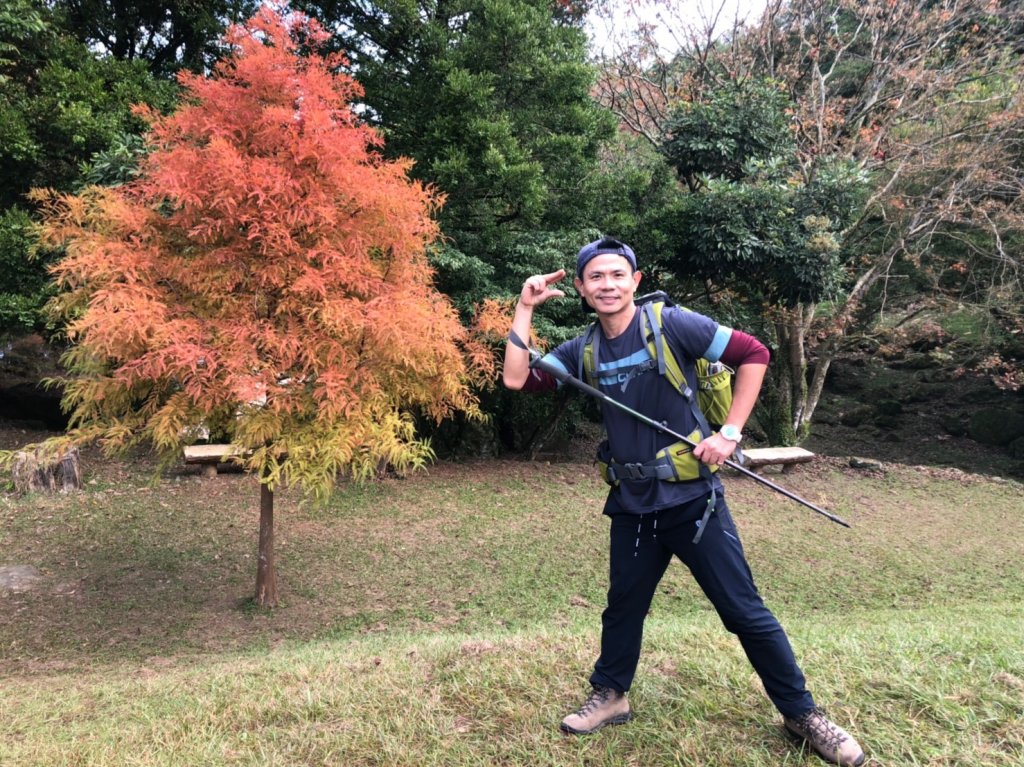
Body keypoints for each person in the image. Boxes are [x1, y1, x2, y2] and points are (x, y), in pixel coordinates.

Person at [503, 237, 865, 767]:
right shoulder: (580, 350)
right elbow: (516, 378)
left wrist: (731, 432)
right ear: (580, 288)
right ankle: (612, 694)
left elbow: (754, 353)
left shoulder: (672, 324)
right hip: (631, 504)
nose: (607, 285)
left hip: (694, 503)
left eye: (616, 275)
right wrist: (525, 305)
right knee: (623, 608)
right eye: (595, 277)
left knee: (744, 612)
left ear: (635, 280)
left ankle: (802, 714)